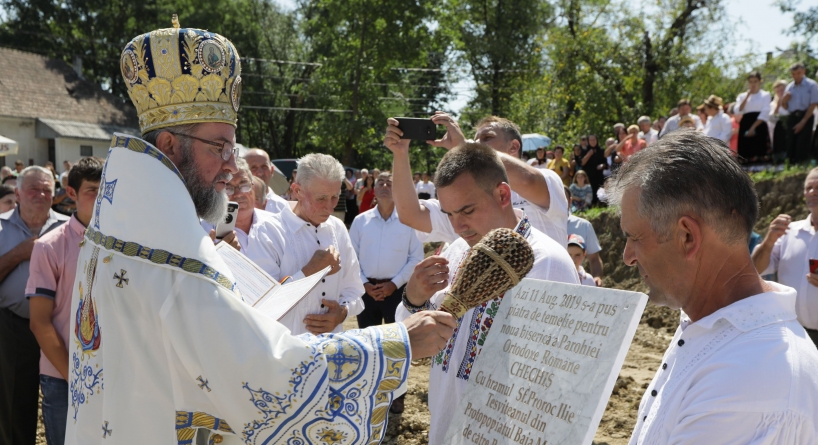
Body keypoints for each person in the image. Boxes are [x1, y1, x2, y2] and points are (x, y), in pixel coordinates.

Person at [64, 21, 456, 445]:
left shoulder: (117, 227)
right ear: (170, 144)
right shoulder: (171, 255)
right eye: (219, 147)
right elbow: (262, 373)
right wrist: (395, 345)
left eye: (233, 149)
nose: (232, 166)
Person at [603, 130, 818, 444]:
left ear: (687, 236)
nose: (627, 257)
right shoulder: (711, 325)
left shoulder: (748, 375)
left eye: (635, 237)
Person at [395, 143, 579, 445]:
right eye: (449, 213)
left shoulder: (546, 262)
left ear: (503, 195)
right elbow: (416, 341)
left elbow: (553, 380)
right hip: (445, 430)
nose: (459, 225)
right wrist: (413, 298)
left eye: (467, 210)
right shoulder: (456, 252)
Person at [387, 113, 569, 247]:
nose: (478, 145)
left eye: (487, 138)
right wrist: (400, 154)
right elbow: (410, 214)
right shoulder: (462, 201)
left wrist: (466, 147)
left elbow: (527, 180)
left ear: (513, 147)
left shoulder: (548, 178)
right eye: (475, 141)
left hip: (545, 295)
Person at [26, 157, 102, 445]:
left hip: (110, 372)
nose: (102, 198)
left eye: (108, 189)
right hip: (63, 376)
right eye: (93, 190)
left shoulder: (124, 247)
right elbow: (40, 322)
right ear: (71, 193)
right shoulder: (50, 246)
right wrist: (75, 376)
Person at [0, 166, 68, 445]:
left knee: (63, 398)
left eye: (46, 190)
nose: (40, 194)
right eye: (33, 189)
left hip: (60, 328)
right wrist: (20, 253)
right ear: (17, 193)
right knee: (14, 402)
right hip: (12, 327)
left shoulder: (68, 227)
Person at [349, 171, 423, 415]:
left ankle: (397, 396)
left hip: (397, 292)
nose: (383, 185)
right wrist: (364, 284)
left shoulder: (408, 221)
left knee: (396, 345)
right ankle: (371, 394)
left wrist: (394, 283)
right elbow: (352, 257)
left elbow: (416, 258)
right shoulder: (361, 221)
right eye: (380, 181)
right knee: (369, 344)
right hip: (366, 291)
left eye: (390, 182)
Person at [751, 167, 818, 346]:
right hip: (793, 334)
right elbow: (755, 268)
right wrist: (769, 241)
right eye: (808, 188)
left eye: (817, 187)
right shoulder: (789, 232)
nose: (812, 192)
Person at [201, 158, 285, 275]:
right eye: (228, 188)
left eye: (244, 185)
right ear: (217, 191)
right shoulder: (202, 230)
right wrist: (214, 257)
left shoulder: (278, 225)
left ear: (253, 187)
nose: (238, 194)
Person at [564, 187, 603, 286]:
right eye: (556, 198)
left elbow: (594, 259)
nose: (559, 202)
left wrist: (596, 278)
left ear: (570, 201)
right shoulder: (538, 225)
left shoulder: (584, 226)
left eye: (563, 198)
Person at [780, 62, 818, 163]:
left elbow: (813, 104)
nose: (796, 76)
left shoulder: (812, 85)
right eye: (793, 74)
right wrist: (784, 100)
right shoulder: (790, 87)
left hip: (806, 116)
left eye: (799, 73)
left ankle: (802, 165)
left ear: (804, 72)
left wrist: (803, 122)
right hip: (793, 117)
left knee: (803, 143)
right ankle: (791, 165)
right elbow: (785, 107)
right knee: (791, 143)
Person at [733, 71, 772, 161]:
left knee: (759, 146)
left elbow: (765, 112)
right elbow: (738, 110)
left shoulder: (765, 95)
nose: (753, 84)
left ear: (760, 82)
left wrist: (753, 128)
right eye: (751, 82)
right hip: (746, 123)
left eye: (755, 81)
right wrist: (747, 96)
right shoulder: (742, 96)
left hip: (759, 123)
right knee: (746, 149)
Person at [243, 148, 289, 213]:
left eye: (264, 167)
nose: (260, 172)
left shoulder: (283, 208)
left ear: (272, 170)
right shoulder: (235, 205)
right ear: (244, 172)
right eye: (254, 167)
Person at [580, 134, 607, 204]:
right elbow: (582, 163)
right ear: (588, 141)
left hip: (599, 175)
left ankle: (600, 204)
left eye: (594, 140)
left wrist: (602, 165)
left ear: (597, 140)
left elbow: (605, 163)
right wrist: (588, 155)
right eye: (591, 140)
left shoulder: (601, 150)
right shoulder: (584, 150)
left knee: (599, 190)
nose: (592, 141)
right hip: (589, 175)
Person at [770, 79, 791, 162]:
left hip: (790, 124)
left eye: (782, 90)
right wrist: (778, 106)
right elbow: (771, 118)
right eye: (777, 91)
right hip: (779, 127)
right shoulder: (772, 104)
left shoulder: (792, 101)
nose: (780, 92)